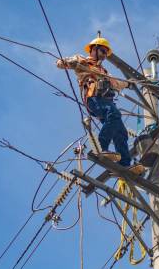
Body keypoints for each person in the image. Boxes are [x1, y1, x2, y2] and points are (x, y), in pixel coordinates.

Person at [56, 34, 143, 174]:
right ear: (93, 49)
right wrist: (71, 63)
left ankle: (125, 164)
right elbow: (59, 63)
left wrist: (129, 83)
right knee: (114, 114)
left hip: (105, 101)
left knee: (121, 131)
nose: (104, 55)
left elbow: (116, 83)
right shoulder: (83, 61)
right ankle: (102, 148)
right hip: (93, 99)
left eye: (105, 53)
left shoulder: (104, 72)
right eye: (102, 51)